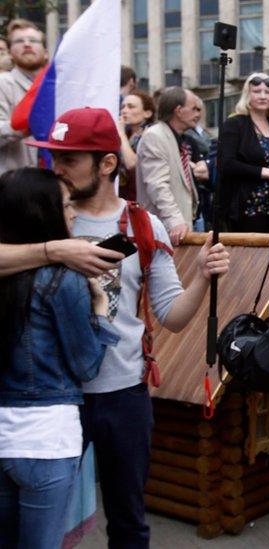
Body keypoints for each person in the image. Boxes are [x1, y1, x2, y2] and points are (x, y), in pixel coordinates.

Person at [23, 106, 230, 547]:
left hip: (123, 394)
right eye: (53, 157)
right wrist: (52, 251)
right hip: (49, 398)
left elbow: (172, 315)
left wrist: (202, 278)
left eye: (68, 159)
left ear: (108, 163)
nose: (55, 169)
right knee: (38, 524)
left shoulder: (141, 222)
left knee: (128, 519)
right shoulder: (41, 212)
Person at [0, 168, 120, 549]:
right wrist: (100, 308)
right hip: (47, 440)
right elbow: (86, 365)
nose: (73, 213)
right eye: (66, 205)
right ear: (43, 212)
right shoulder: (63, 281)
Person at [217, 72, 269, 232]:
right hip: (245, 209)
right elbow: (227, 164)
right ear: (247, 94)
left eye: (267, 92)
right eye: (257, 91)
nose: (262, 96)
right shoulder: (234, 124)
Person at [135, 87, 202, 246]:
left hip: (175, 232)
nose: (198, 114)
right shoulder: (155, 136)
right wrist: (175, 220)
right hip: (163, 234)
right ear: (178, 110)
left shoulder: (175, 137)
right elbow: (157, 185)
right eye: (194, 109)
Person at [0, 19, 47, 174]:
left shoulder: (54, 86)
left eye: (33, 40)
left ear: (45, 51)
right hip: (11, 187)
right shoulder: (3, 83)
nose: (27, 44)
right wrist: (23, 126)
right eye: (19, 41)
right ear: (10, 52)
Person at [117, 90, 156, 201]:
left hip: (143, 199)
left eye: (131, 107)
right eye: (123, 107)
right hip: (125, 196)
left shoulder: (151, 135)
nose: (124, 111)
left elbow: (132, 164)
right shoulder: (127, 134)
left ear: (147, 113)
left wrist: (121, 134)